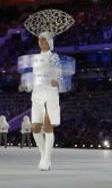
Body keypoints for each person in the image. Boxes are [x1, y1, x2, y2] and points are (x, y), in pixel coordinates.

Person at [19, 31, 62, 171]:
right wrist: (27, 86)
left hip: (50, 92)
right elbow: (34, 76)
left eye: (43, 39)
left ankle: (47, 160)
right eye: (39, 39)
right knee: (36, 128)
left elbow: (59, 72)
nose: (40, 41)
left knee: (48, 125)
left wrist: (57, 81)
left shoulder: (54, 57)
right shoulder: (36, 58)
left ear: (49, 42)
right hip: (37, 94)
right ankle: (43, 155)